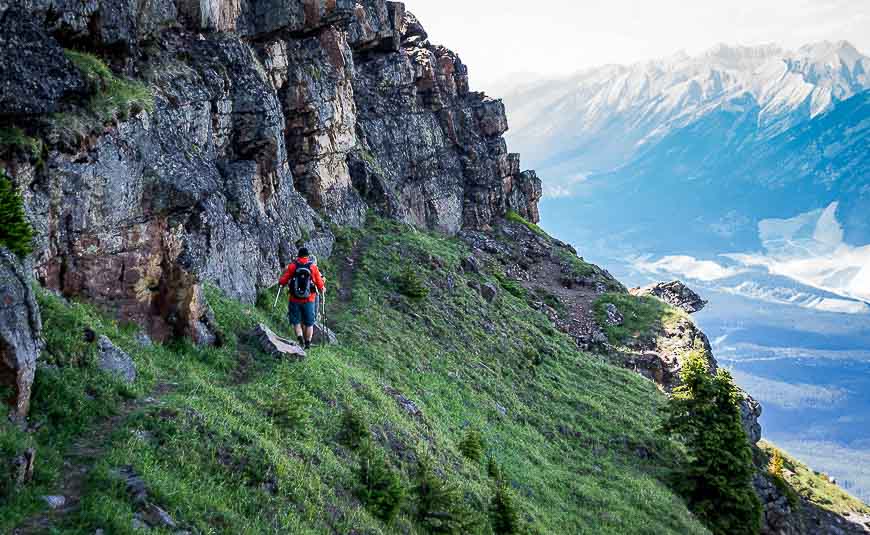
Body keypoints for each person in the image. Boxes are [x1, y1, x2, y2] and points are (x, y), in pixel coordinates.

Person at [278, 247, 325, 349]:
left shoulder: (293, 266)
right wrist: (322, 288)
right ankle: (307, 344)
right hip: (309, 300)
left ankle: (300, 340)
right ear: (307, 256)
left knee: (296, 321)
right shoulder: (313, 267)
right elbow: (319, 283)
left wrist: (281, 282)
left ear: (298, 256)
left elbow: (283, 280)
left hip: (294, 299)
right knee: (309, 323)